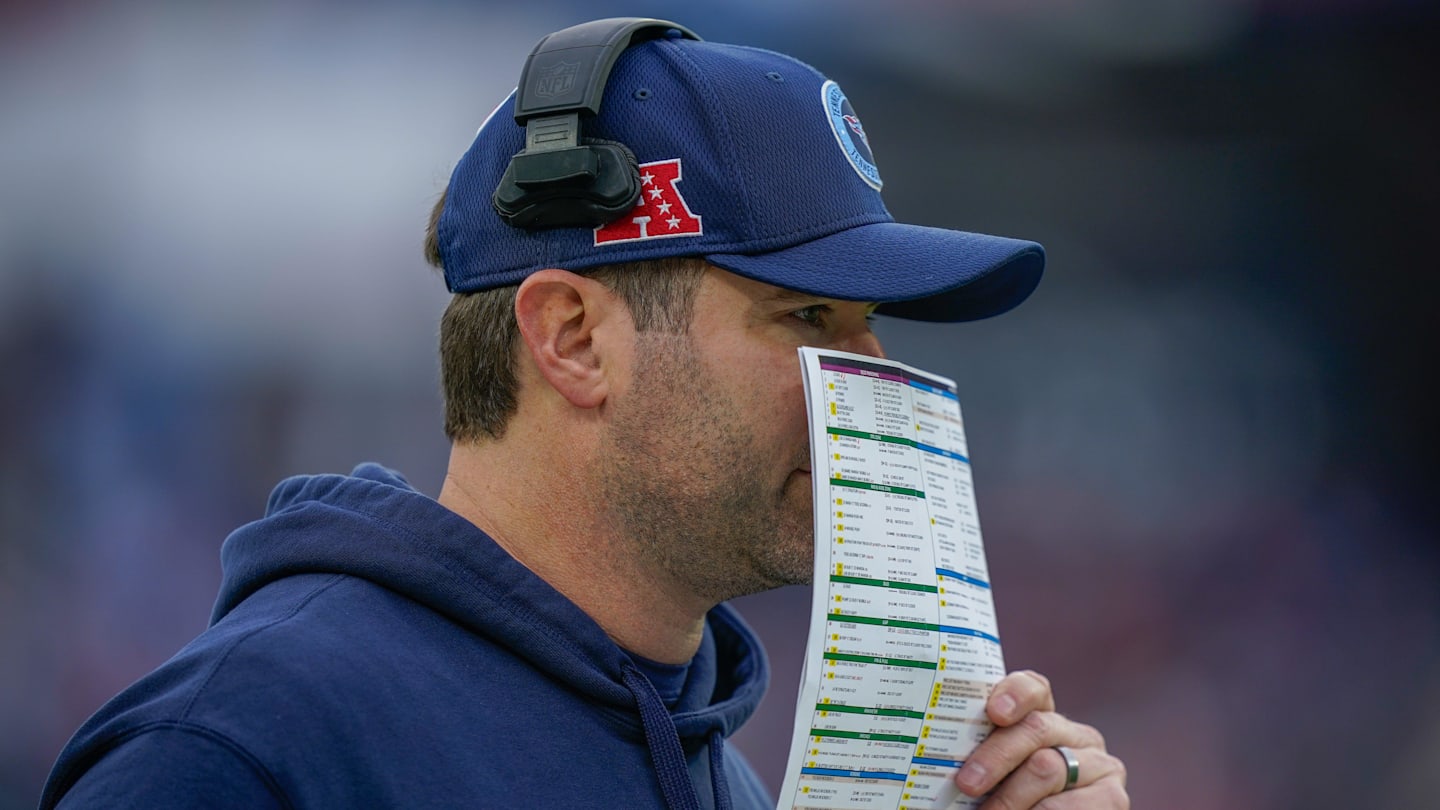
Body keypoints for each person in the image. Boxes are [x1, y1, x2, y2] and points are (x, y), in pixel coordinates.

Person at [40, 18, 1128, 810]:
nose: (873, 376)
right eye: (808, 316)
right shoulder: (247, 749)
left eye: (868, 323)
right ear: (571, 338)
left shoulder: (728, 776)